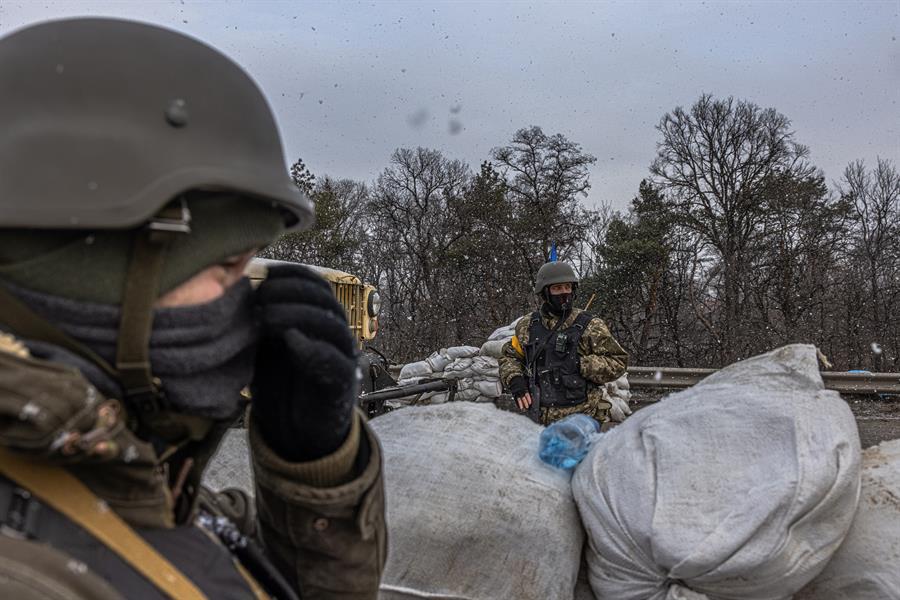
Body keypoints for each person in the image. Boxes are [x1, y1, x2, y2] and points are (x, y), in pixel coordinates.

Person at [0, 18, 384, 599]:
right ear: (87, 276)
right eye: (228, 267)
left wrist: (315, 462)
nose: (249, 300)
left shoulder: (141, 484)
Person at [499, 261, 628, 425]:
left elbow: (618, 361)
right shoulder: (528, 325)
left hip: (581, 417)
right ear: (545, 292)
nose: (564, 293)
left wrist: (580, 364)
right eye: (557, 288)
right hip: (537, 417)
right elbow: (510, 357)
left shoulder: (590, 325)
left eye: (567, 287)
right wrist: (515, 380)